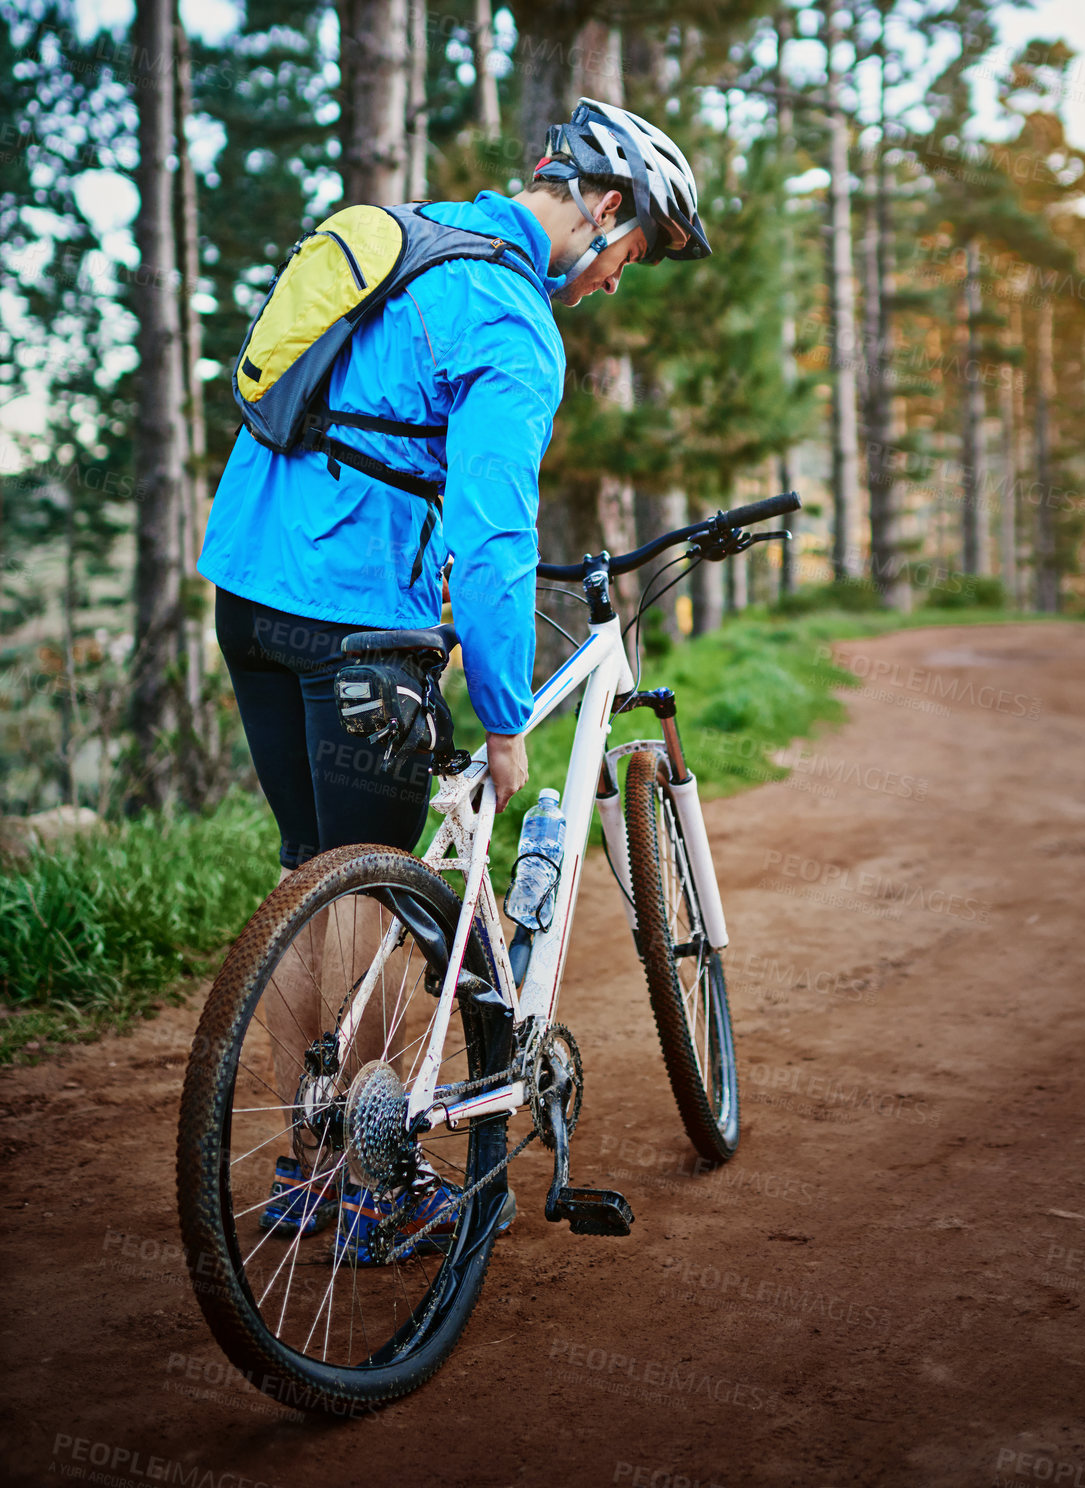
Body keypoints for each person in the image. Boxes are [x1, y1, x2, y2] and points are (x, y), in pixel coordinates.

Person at [196, 99, 711, 1260]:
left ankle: (303, 1174)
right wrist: (506, 716)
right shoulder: (515, 323)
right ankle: (376, 1188)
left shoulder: (409, 236)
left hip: (247, 592)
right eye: (635, 252)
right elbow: (493, 543)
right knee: (373, 902)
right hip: (354, 628)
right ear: (604, 208)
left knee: (308, 884)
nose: (622, 278)